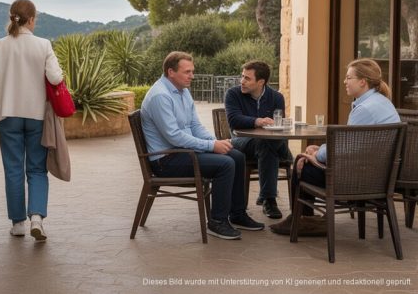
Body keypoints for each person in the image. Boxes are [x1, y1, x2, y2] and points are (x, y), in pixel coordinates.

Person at [141, 51, 264, 240]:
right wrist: (210, 146)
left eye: (192, 71)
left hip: (183, 152)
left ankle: (237, 214)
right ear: (171, 72)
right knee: (225, 164)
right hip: (166, 160)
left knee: (236, 156)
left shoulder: (183, 91)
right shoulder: (160, 96)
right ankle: (217, 222)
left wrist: (216, 142)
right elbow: (174, 137)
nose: (192, 76)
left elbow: (194, 126)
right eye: (187, 72)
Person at [270, 58, 400, 235]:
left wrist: (315, 156)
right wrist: (320, 150)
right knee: (308, 160)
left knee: (302, 167)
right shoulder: (382, 103)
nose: (345, 82)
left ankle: (302, 221)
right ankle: (306, 220)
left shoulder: (364, 109)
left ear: (363, 82)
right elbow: (351, 145)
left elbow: (344, 150)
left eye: (349, 77)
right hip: (378, 178)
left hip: (355, 180)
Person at [0, 0, 63, 241]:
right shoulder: (44, 45)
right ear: (31, 19)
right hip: (37, 115)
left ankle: (18, 223)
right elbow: (56, 78)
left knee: (13, 169)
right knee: (37, 169)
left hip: (8, 115)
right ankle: (36, 217)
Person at [224, 60, 291, 219]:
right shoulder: (233, 94)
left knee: (267, 144)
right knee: (270, 145)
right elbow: (234, 120)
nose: (242, 81)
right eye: (242, 76)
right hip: (241, 141)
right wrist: (257, 121)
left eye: (247, 78)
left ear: (261, 82)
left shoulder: (276, 97)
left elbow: (279, 124)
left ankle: (267, 196)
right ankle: (269, 199)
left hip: (268, 144)